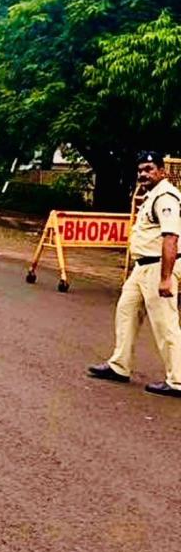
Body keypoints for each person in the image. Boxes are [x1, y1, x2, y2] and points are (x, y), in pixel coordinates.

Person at [89, 151, 181, 397]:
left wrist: (165, 278)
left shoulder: (166, 197)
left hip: (158, 267)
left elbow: (171, 237)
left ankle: (178, 379)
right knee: (126, 311)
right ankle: (120, 365)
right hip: (142, 267)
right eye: (140, 170)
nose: (143, 174)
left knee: (165, 323)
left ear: (161, 171)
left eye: (149, 169)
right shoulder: (150, 195)